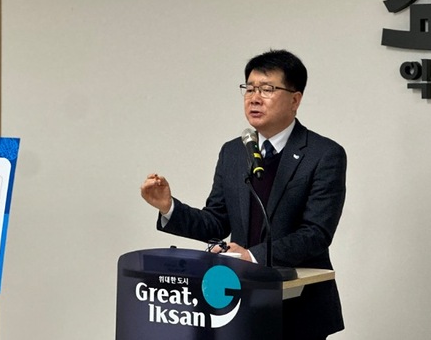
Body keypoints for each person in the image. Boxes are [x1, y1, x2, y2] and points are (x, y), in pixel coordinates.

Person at [140, 49, 347, 339]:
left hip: (298, 306)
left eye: (267, 89)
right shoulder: (234, 152)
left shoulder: (323, 154)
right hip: (238, 301)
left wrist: (251, 256)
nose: (254, 98)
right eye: (249, 89)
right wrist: (168, 207)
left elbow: (316, 233)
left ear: (295, 99)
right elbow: (216, 222)